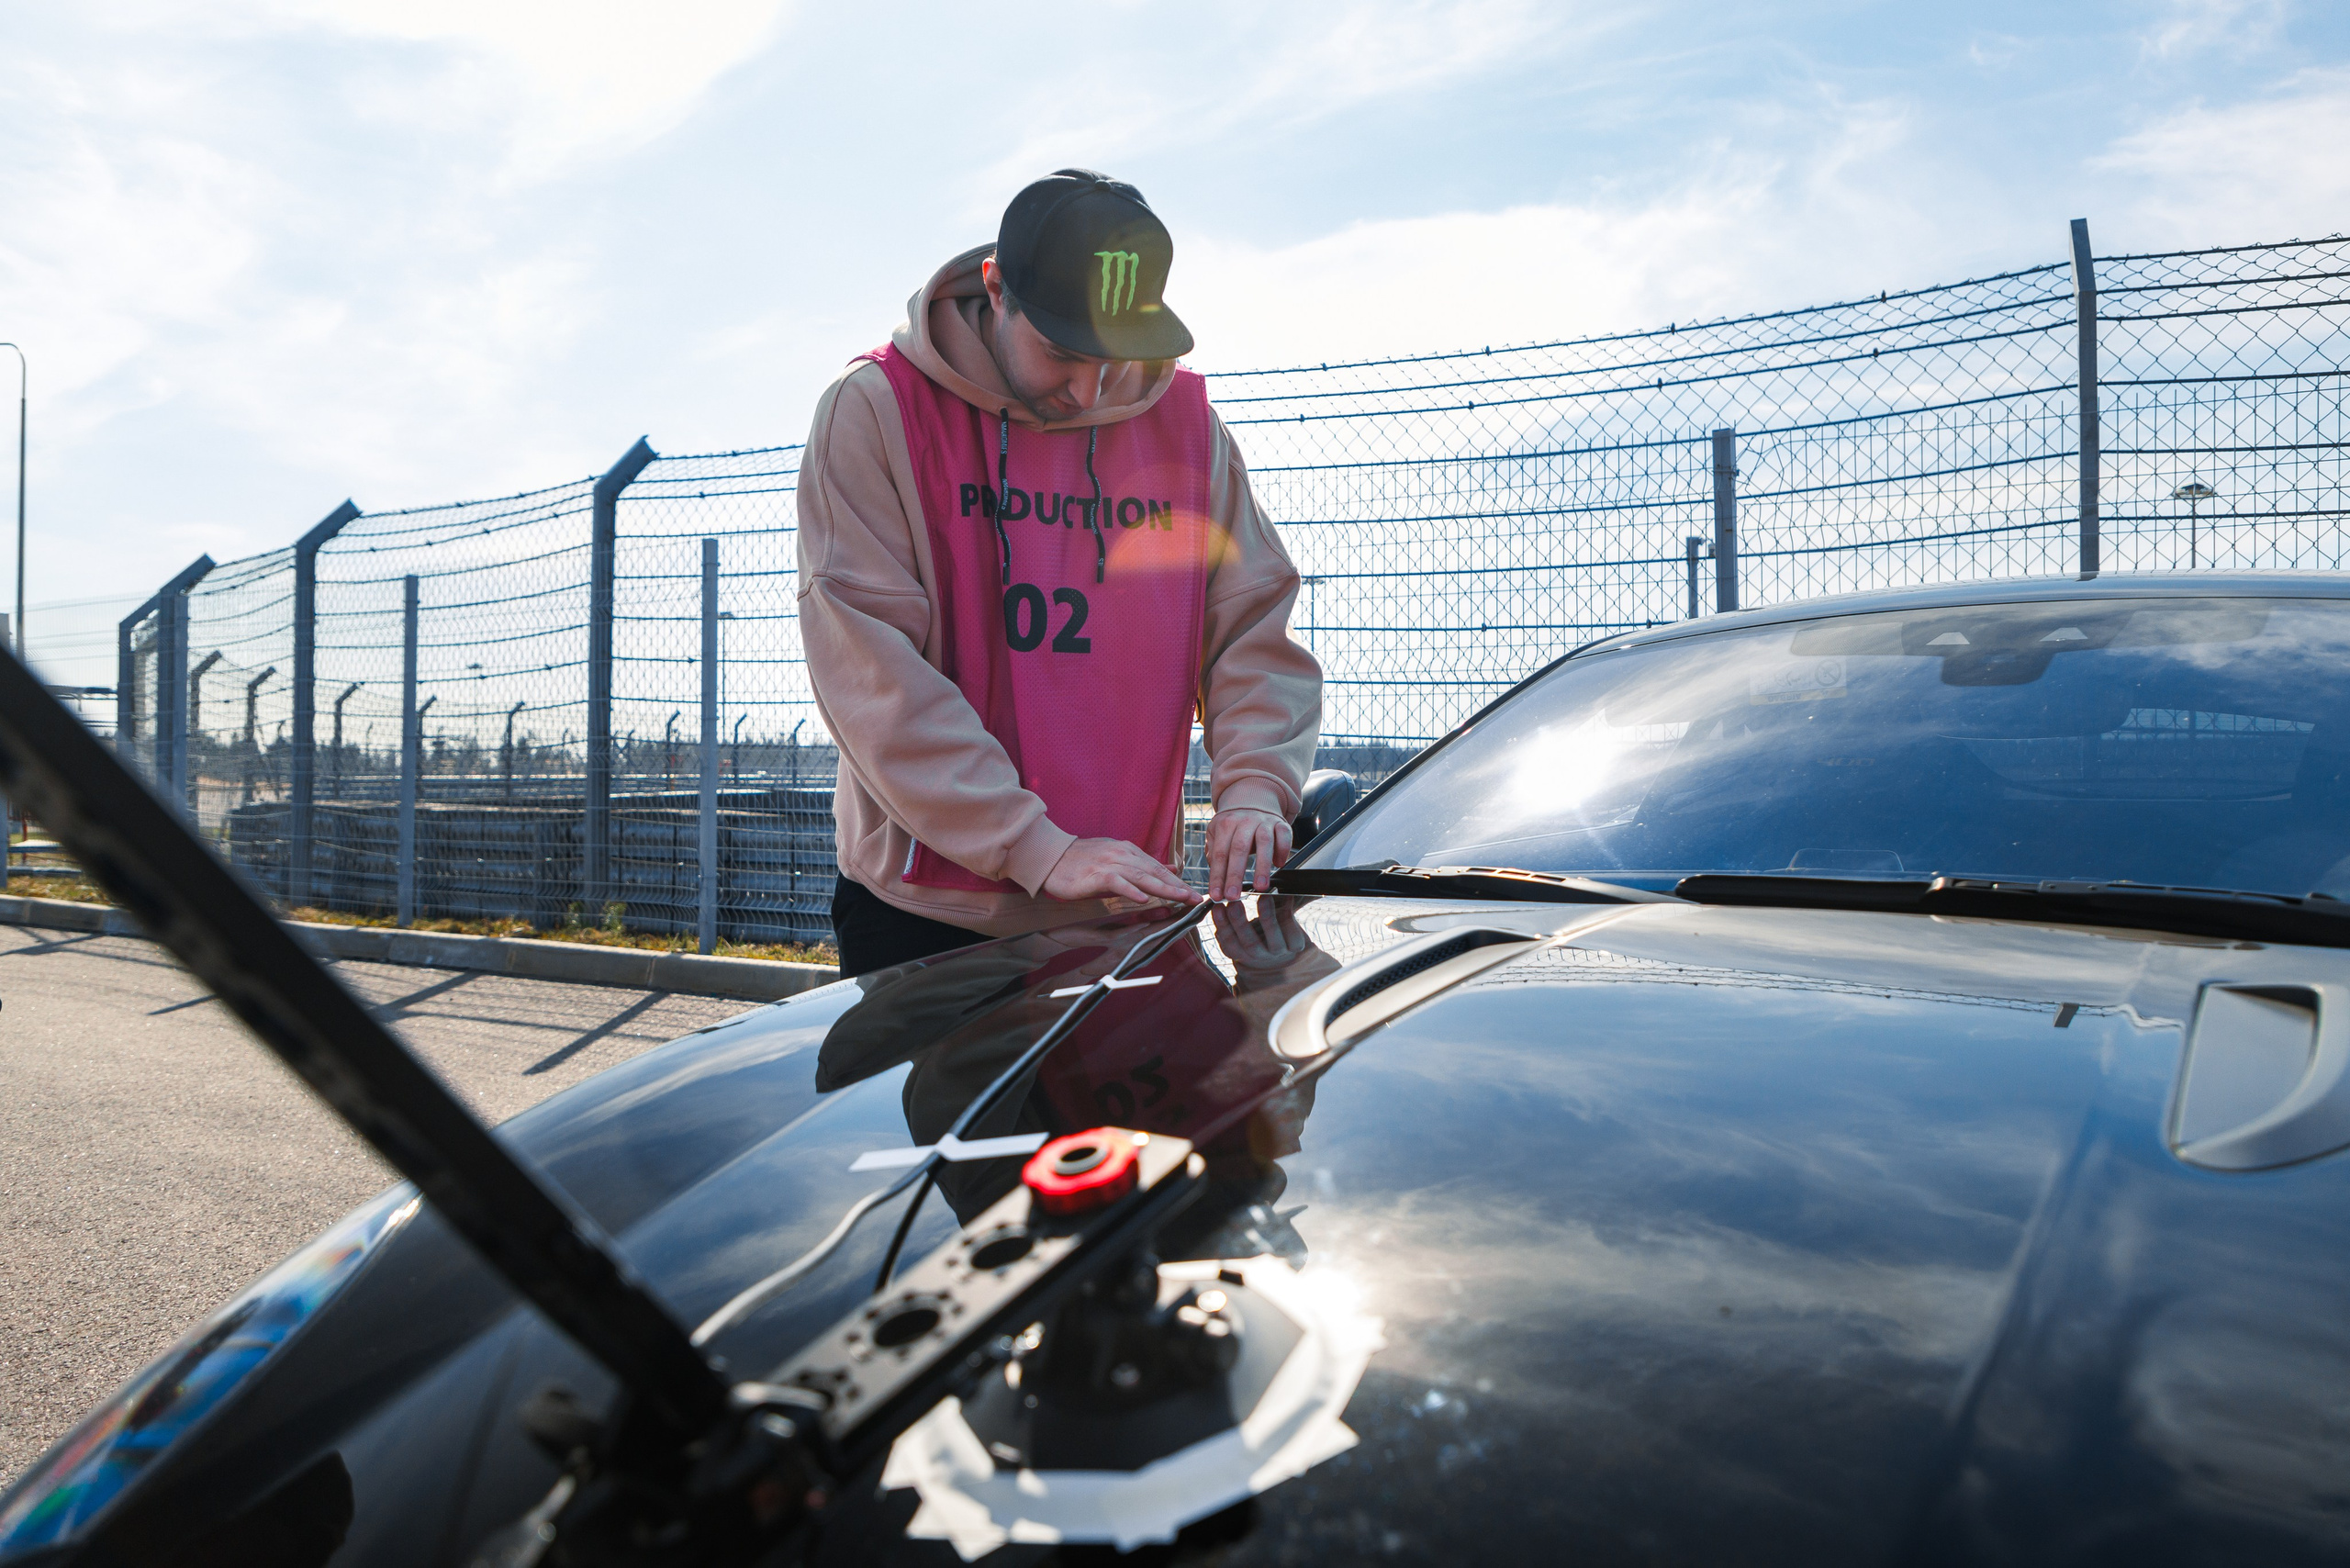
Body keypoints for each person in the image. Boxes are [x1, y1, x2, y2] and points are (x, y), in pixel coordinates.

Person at [797, 169, 1324, 978]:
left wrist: (1254, 789)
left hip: (1119, 898)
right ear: (996, 289)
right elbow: (872, 674)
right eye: (1062, 354)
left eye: (1114, 360)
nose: (1088, 390)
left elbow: (1251, 628)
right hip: (932, 910)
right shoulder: (877, 408)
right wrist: (1033, 844)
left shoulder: (1186, 430)